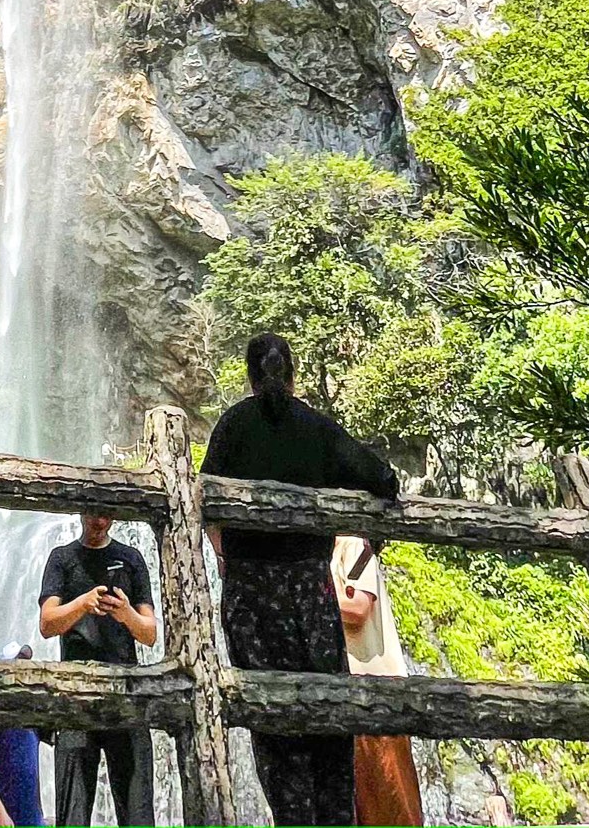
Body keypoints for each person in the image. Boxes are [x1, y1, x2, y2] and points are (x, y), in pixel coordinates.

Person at [201, 333, 399, 827]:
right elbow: (380, 477)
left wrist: (224, 555)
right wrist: (374, 532)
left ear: (250, 377)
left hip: (250, 597)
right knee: (329, 721)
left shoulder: (233, 426)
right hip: (311, 593)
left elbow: (201, 498)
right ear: (292, 375)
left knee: (275, 729)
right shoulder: (315, 428)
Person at [37, 510, 158, 826]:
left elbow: (150, 633)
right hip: (75, 696)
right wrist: (83, 604)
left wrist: (126, 614)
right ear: (81, 512)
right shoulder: (61, 558)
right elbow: (47, 624)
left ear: (115, 516)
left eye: (106, 515)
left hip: (127, 697)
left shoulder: (131, 558)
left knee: (138, 814)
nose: (99, 521)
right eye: (93, 513)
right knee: (72, 815)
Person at [332, 535, 421, 827]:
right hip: (340, 692)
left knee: (390, 806)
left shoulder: (353, 543)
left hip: (375, 687)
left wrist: (313, 597)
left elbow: (359, 607)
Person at [0, 643, 45, 828]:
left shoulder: (32, 711)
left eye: (26, 663)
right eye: (18, 662)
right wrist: (0, 813)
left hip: (34, 820)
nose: (23, 669)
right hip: (6, 820)